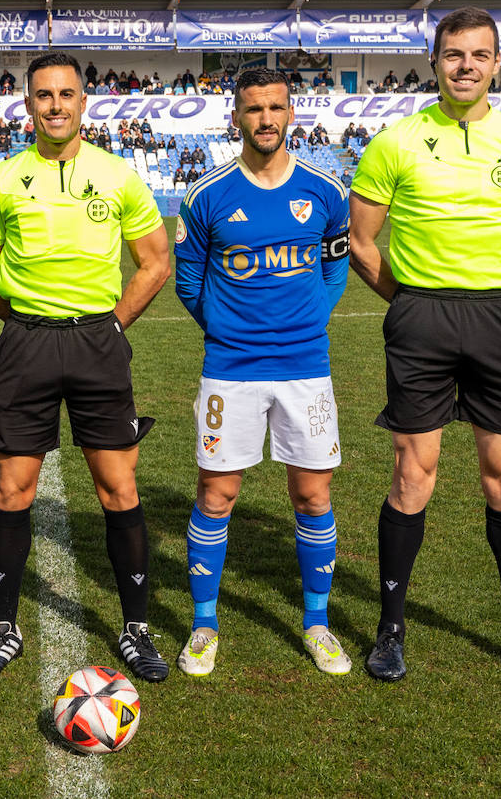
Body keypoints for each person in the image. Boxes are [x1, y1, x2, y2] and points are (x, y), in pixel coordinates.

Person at [347, 7, 501, 686]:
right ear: (435, 61)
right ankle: (390, 632)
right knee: (412, 472)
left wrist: (499, 280)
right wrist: (415, 299)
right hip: (421, 320)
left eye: (479, 54)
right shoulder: (395, 141)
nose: (466, 65)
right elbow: (362, 243)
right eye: (454, 54)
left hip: (498, 322)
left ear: (497, 63)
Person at [0, 52, 171, 682]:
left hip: (97, 346)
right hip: (27, 346)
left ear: (85, 102)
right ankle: (3, 629)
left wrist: (110, 326)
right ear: (28, 104)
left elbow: (155, 261)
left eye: (67, 94)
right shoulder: (0, 179)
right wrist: (23, 321)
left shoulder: (119, 176)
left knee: (119, 487)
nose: (56, 105)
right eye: (44, 95)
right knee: (12, 488)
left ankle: (135, 629)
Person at [173, 68, 352, 678]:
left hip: (307, 367)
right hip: (231, 368)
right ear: (236, 118)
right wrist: (228, 328)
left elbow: (334, 270)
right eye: (254, 110)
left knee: (313, 494)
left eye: (276, 108)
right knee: (217, 495)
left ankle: (318, 622)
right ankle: (203, 625)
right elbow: (190, 282)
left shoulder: (326, 192)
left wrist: (309, 320)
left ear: (291, 114)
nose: (265, 119)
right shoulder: (207, 196)